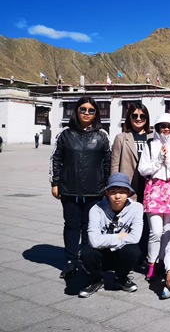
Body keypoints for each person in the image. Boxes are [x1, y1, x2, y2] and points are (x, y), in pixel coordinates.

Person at [50, 96, 111, 279]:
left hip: (95, 190)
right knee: (71, 225)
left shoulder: (102, 135)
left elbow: (108, 163)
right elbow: (56, 159)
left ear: (96, 114)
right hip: (69, 188)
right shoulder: (65, 134)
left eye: (91, 110)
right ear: (76, 111)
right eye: (83, 109)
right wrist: (55, 182)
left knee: (89, 226)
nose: (86, 113)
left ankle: (86, 259)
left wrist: (108, 186)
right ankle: (70, 261)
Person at [138, 112, 170, 281]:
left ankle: (163, 262)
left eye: (169, 126)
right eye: (162, 126)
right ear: (157, 128)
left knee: (168, 231)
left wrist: (169, 162)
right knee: (156, 231)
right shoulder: (150, 145)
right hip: (154, 189)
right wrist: (158, 161)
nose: (166, 129)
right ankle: (151, 263)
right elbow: (142, 169)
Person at [79, 173, 144, 298]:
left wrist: (105, 241)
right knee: (87, 253)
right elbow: (94, 241)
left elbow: (135, 237)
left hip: (120, 253)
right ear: (107, 193)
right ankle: (96, 279)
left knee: (133, 251)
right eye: (113, 192)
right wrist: (119, 236)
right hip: (101, 253)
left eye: (122, 192)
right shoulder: (96, 209)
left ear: (128, 193)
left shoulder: (137, 208)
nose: (117, 196)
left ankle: (121, 277)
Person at [110, 102, 153, 263]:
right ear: (129, 117)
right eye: (135, 115)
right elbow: (114, 165)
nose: (138, 118)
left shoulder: (153, 137)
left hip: (149, 188)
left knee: (147, 223)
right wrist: (114, 189)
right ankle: (125, 257)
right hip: (128, 188)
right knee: (128, 222)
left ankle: (143, 255)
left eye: (142, 116)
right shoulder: (121, 138)